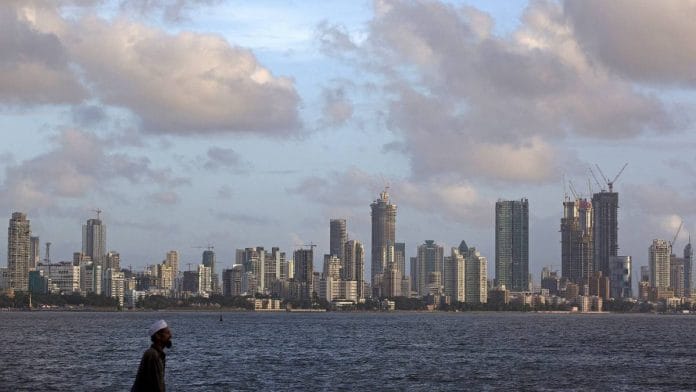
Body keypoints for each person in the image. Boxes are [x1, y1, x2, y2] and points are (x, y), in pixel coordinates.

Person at [131, 320, 172, 392]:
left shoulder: (155, 353)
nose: (170, 335)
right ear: (158, 336)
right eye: (167, 333)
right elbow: (157, 386)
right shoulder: (153, 355)